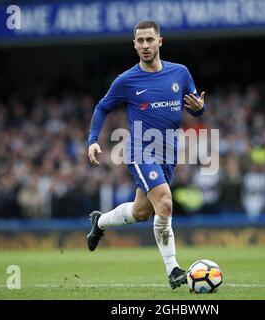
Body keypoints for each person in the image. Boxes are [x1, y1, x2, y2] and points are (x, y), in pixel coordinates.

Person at [86, 20, 207, 289]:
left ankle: (100, 222)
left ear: (159, 42)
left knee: (142, 212)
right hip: (141, 150)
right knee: (164, 202)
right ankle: (174, 269)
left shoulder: (180, 73)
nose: (144, 46)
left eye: (149, 40)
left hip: (169, 152)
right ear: (134, 45)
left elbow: (196, 107)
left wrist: (200, 108)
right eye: (139, 41)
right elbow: (102, 107)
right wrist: (93, 140)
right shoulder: (126, 80)